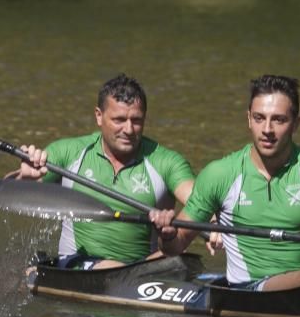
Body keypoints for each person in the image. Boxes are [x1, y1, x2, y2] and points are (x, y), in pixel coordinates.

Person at [150, 75, 300, 291]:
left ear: (296, 124)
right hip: (250, 289)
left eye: (279, 120)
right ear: (249, 120)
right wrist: (168, 235)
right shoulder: (220, 174)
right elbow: (176, 247)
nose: (267, 130)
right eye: (259, 118)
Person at [13, 74, 196, 269]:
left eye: (136, 120)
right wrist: (25, 177)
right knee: (113, 266)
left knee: (182, 256)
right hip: (79, 264)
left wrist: (214, 225)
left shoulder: (166, 161)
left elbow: (200, 203)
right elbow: (15, 193)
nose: (129, 129)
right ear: (99, 116)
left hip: (142, 268)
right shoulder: (68, 153)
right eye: (119, 120)